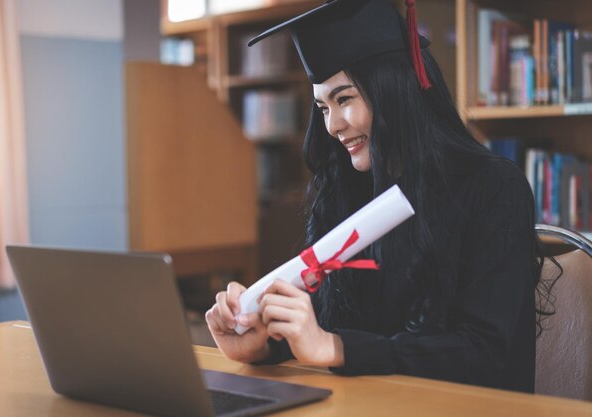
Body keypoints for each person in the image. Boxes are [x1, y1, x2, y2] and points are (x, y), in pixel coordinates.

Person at [205, 0, 544, 393]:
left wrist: (335, 347)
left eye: (344, 99)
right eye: (322, 107)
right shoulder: (349, 192)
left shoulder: (493, 187)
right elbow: (331, 324)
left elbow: (484, 354)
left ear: (393, 85)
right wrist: (265, 342)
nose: (332, 126)